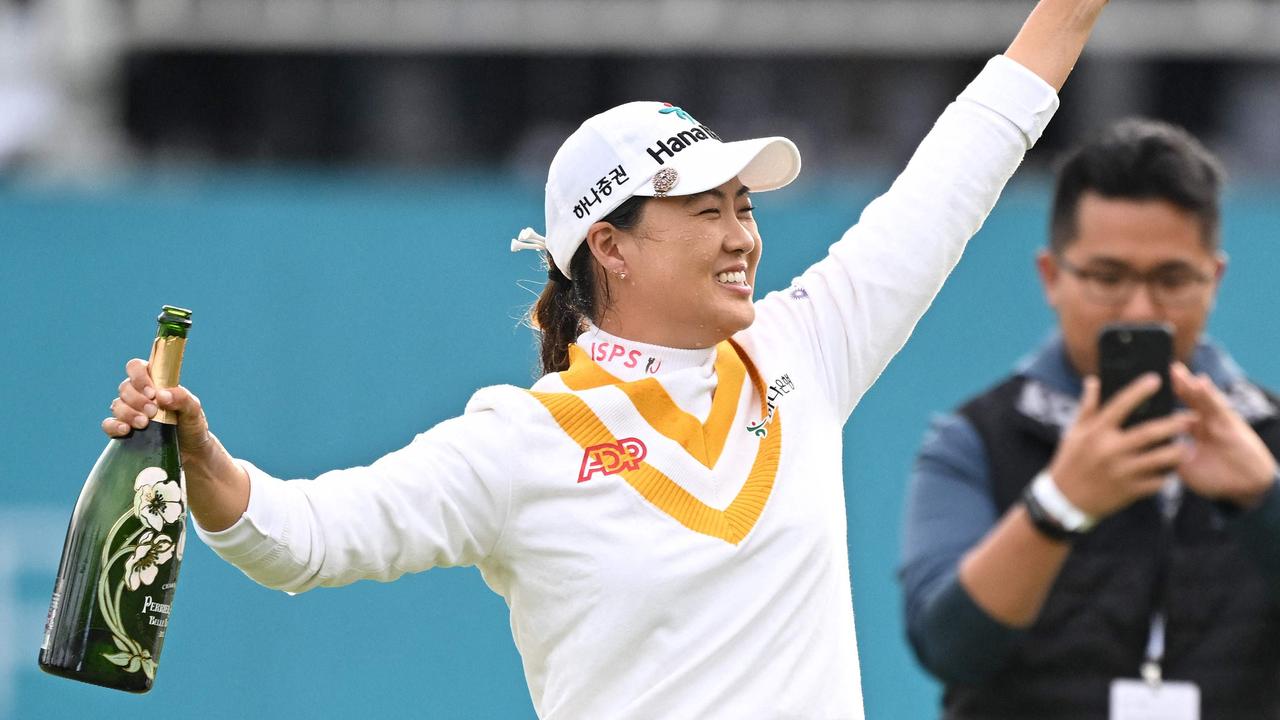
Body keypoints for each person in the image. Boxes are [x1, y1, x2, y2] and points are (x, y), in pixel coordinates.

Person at [107, 2, 1110, 717]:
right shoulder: (522, 441)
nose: (741, 237)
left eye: (744, 208)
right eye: (704, 210)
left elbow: (957, 169)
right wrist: (204, 463)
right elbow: (308, 539)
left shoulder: (800, 347)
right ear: (611, 246)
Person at [899, 118, 1280, 720]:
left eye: (1172, 278)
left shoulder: (1267, 440)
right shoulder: (974, 440)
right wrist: (1058, 505)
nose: (1140, 308)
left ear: (1217, 279)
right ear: (1052, 277)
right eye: (1107, 277)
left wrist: (1263, 500)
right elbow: (947, 648)